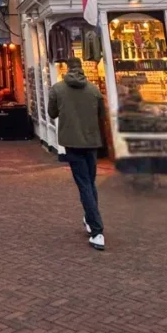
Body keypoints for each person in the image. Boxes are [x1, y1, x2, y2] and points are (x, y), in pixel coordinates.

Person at [48, 56, 106, 251]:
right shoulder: (94, 90)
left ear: (66, 69)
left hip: (72, 142)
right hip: (91, 141)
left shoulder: (57, 89)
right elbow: (102, 115)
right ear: (82, 69)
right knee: (89, 182)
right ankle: (91, 219)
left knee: (84, 184)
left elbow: (52, 113)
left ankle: (97, 231)